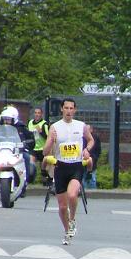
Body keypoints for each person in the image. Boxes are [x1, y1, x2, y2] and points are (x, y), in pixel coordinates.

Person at [41, 98, 94, 245]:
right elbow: (45, 152)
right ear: (61, 109)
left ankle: (72, 219)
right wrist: (51, 140)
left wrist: (87, 149)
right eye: (66, 108)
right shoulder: (55, 127)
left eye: (71, 108)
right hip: (60, 167)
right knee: (63, 207)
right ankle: (67, 231)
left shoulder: (81, 126)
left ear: (75, 110)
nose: (69, 111)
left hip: (76, 166)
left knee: (72, 194)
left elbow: (91, 140)